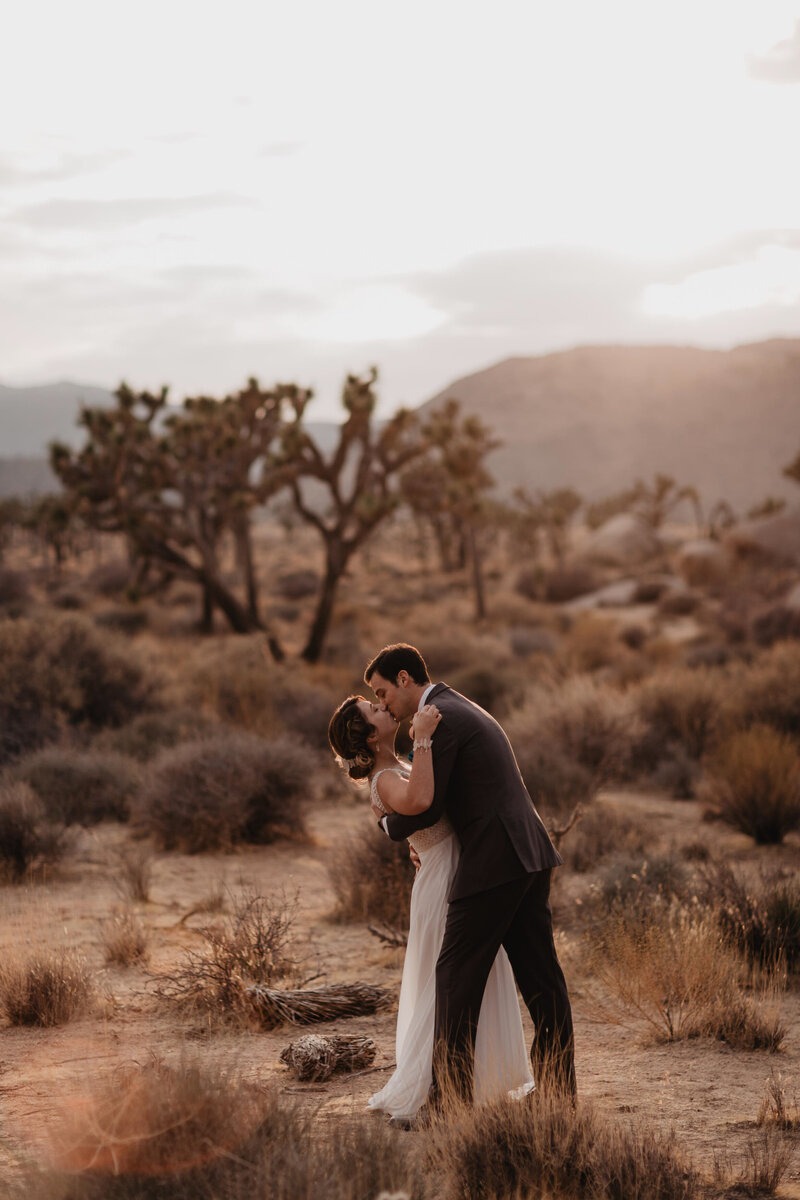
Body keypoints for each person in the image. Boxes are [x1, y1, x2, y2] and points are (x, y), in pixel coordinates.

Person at [364, 643, 575, 1126]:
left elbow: (429, 808)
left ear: (403, 679)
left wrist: (388, 826)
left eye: (382, 692)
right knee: (544, 985)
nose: (384, 704)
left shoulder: (439, 718)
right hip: (526, 854)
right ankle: (558, 1100)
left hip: (494, 865)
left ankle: (447, 1107)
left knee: (455, 980)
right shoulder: (459, 706)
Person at [328, 693, 534, 1123]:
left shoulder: (393, 767)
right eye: (374, 709)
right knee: (450, 985)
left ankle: (473, 1083)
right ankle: (434, 1089)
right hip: (443, 879)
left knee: (474, 978)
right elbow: (422, 801)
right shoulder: (384, 777)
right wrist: (422, 737)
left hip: (455, 866)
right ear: (368, 735)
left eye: (379, 701)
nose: (383, 707)